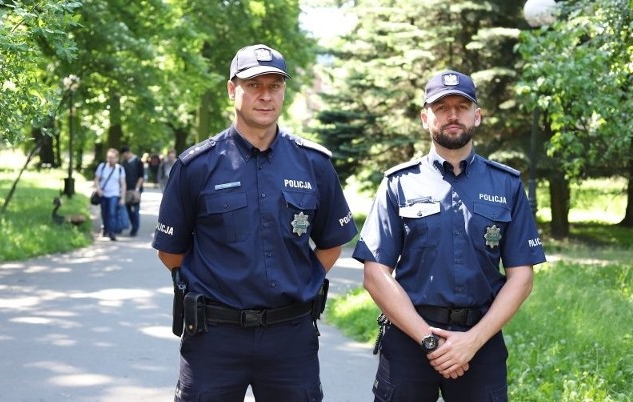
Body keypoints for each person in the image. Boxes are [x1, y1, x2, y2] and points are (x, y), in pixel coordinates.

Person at [152, 44, 358, 402]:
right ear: (233, 90)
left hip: (290, 338)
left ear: (284, 91)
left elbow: (331, 243)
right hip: (214, 338)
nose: (265, 96)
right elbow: (171, 252)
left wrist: (296, 281)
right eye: (253, 85)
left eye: (274, 85)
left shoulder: (314, 164)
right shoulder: (196, 166)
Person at [352, 70, 546, 402]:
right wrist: (428, 340)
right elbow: (375, 273)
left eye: (462, 106)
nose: (452, 115)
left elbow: (522, 276)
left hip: (480, 343)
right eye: (442, 107)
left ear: (477, 115)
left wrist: (471, 341)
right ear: (425, 117)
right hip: (409, 340)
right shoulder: (398, 183)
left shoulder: (506, 185)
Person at [93, 148, 125, 241]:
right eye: (109, 158)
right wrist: (98, 189)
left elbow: (123, 184)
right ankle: (105, 229)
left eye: (112, 158)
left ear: (117, 158)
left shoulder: (120, 169)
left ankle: (112, 233)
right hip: (103, 194)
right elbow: (96, 179)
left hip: (114, 194)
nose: (110, 160)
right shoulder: (102, 167)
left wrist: (122, 197)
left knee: (112, 213)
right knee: (104, 213)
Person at [120, 145, 145, 236]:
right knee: (128, 209)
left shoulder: (138, 162)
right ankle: (133, 225)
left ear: (127, 152)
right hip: (126, 190)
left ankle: (135, 228)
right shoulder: (124, 163)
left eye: (124, 155)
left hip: (136, 190)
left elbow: (141, 177)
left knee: (135, 209)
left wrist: (136, 189)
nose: (124, 157)